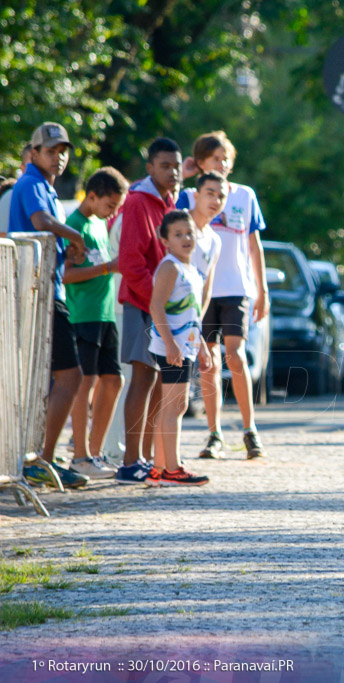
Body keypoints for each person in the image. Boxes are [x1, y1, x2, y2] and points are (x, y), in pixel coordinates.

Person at [176, 131, 269, 460]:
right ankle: (214, 433)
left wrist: (262, 290)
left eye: (227, 158)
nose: (223, 164)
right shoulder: (189, 195)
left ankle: (250, 429)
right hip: (202, 289)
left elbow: (254, 244)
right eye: (215, 158)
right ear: (200, 163)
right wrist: (185, 175)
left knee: (236, 354)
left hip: (237, 287)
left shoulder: (244, 195)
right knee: (209, 361)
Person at [9, 123, 90, 489]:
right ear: (35, 152)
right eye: (52, 150)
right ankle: (39, 458)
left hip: (47, 290)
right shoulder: (31, 184)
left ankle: (40, 456)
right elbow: (41, 223)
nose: (59, 157)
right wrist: (74, 235)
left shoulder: (46, 187)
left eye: (64, 151)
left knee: (47, 379)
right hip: (40, 295)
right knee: (70, 376)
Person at [116, 137, 181, 484]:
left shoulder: (170, 202)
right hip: (143, 305)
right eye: (165, 166)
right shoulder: (140, 202)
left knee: (158, 381)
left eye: (176, 165)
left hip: (163, 308)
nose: (172, 172)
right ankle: (130, 462)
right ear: (150, 168)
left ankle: (147, 457)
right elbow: (130, 262)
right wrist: (156, 303)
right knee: (141, 379)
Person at [64, 167, 129, 480]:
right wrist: (107, 268)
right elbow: (65, 274)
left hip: (105, 314)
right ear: (92, 196)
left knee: (113, 381)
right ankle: (79, 455)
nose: (113, 212)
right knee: (84, 383)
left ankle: (95, 451)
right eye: (110, 205)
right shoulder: (74, 225)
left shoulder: (101, 224)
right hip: (82, 314)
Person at [145, 210, 211, 486]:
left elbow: (193, 314)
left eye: (189, 233)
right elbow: (155, 305)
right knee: (176, 406)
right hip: (171, 346)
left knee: (174, 406)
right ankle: (173, 468)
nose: (185, 238)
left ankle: (159, 469)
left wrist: (203, 346)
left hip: (187, 346)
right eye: (178, 234)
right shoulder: (170, 267)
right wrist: (170, 344)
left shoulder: (192, 270)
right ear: (165, 240)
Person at [0, 143, 34, 235]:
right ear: (22, 168)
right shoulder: (9, 197)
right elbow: (2, 236)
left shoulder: (52, 196)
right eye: (32, 164)